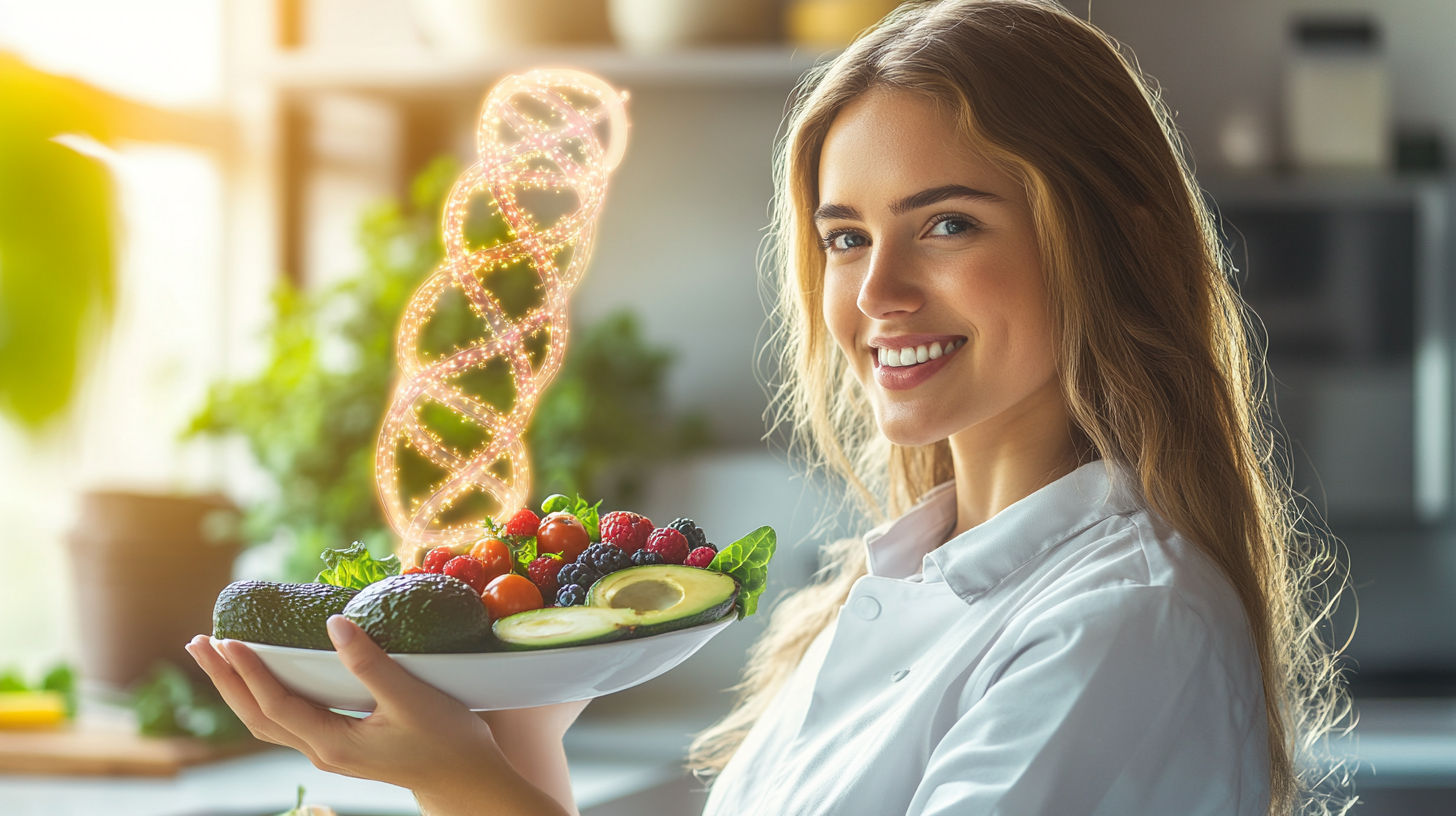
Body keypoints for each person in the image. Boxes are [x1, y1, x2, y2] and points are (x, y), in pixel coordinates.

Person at [188, 1, 1349, 814]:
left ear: (1118, 235)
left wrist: (475, 794)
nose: (879, 294)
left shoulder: (1119, 626)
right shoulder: (882, 589)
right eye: (846, 238)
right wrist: (516, 734)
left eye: (947, 223)